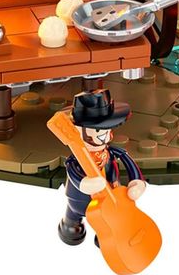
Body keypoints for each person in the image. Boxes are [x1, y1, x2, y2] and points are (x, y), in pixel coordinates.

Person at [58, 89, 146, 246]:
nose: (104, 135)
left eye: (107, 129)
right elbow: (73, 174)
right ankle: (70, 224)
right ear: (77, 131)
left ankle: (105, 235)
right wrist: (85, 184)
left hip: (110, 197)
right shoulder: (75, 159)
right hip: (79, 198)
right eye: (98, 130)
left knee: (106, 220)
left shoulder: (110, 153)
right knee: (74, 214)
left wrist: (137, 182)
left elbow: (129, 163)